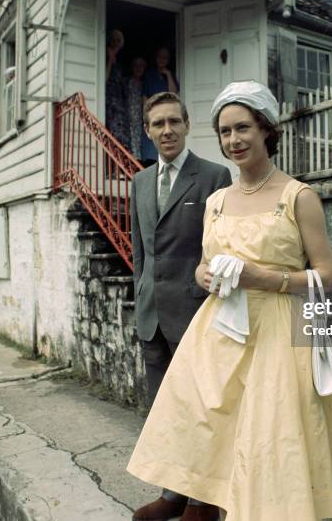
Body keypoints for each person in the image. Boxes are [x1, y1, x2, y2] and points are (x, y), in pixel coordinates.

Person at [127, 81, 332, 521]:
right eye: (224, 132)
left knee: (271, 439)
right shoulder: (217, 200)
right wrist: (204, 274)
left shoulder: (299, 196)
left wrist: (267, 278)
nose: (234, 140)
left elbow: (327, 274)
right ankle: (200, 506)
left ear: (266, 129)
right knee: (210, 426)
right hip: (220, 330)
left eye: (243, 128)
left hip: (279, 333)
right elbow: (205, 263)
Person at [129, 91, 232, 520]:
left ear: (187, 125)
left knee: (199, 409)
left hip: (196, 314)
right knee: (165, 413)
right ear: (148, 131)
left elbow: (225, 248)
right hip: (152, 315)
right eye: (158, 124)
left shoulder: (213, 176)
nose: (166, 130)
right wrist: (140, 296)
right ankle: (171, 495)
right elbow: (140, 251)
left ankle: (202, 502)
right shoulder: (139, 181)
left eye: (174, 121)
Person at [140, 47, 179, 163]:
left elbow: (173, 93)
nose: (162, 60)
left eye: (165, 57)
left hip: (167, 112)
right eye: (159, 57)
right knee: (151, 146)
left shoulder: (170, 75)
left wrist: (167, 74)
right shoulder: (149, 75)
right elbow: (144, 97)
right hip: (153, 113)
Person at [105, 29, 130, 148]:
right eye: (114, 39)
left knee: (121, 136)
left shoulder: (121, 61)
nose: (117, 43)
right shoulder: (104, 55)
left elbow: (123, 83)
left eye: (119, 40)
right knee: (111, 134)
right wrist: (110, 59)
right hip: (108, 102)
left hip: (119, 103)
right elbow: (104, 79)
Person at [125, 56, 147, 160]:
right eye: (136, 65)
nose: (138, 68)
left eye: (141, 66)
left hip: (140, 120)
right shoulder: (126, 81)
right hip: (127, 120)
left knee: (138, 146)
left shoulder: (145, 84)